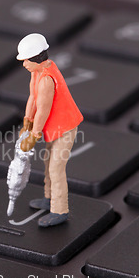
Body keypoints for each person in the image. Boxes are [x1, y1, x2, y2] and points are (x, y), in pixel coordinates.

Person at [17, 33, 83, 227]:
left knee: (56, 168)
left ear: (36, 58)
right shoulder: (36, 72)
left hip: (65, 127)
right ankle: (49, 198)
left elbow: (44, 110)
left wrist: (34, 135)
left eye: (26, 60)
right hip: (55, 127)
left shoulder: (47, 79)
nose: (23, 64)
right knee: (48, 163)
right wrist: (27, 122)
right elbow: (32, 99)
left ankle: (60, 210)